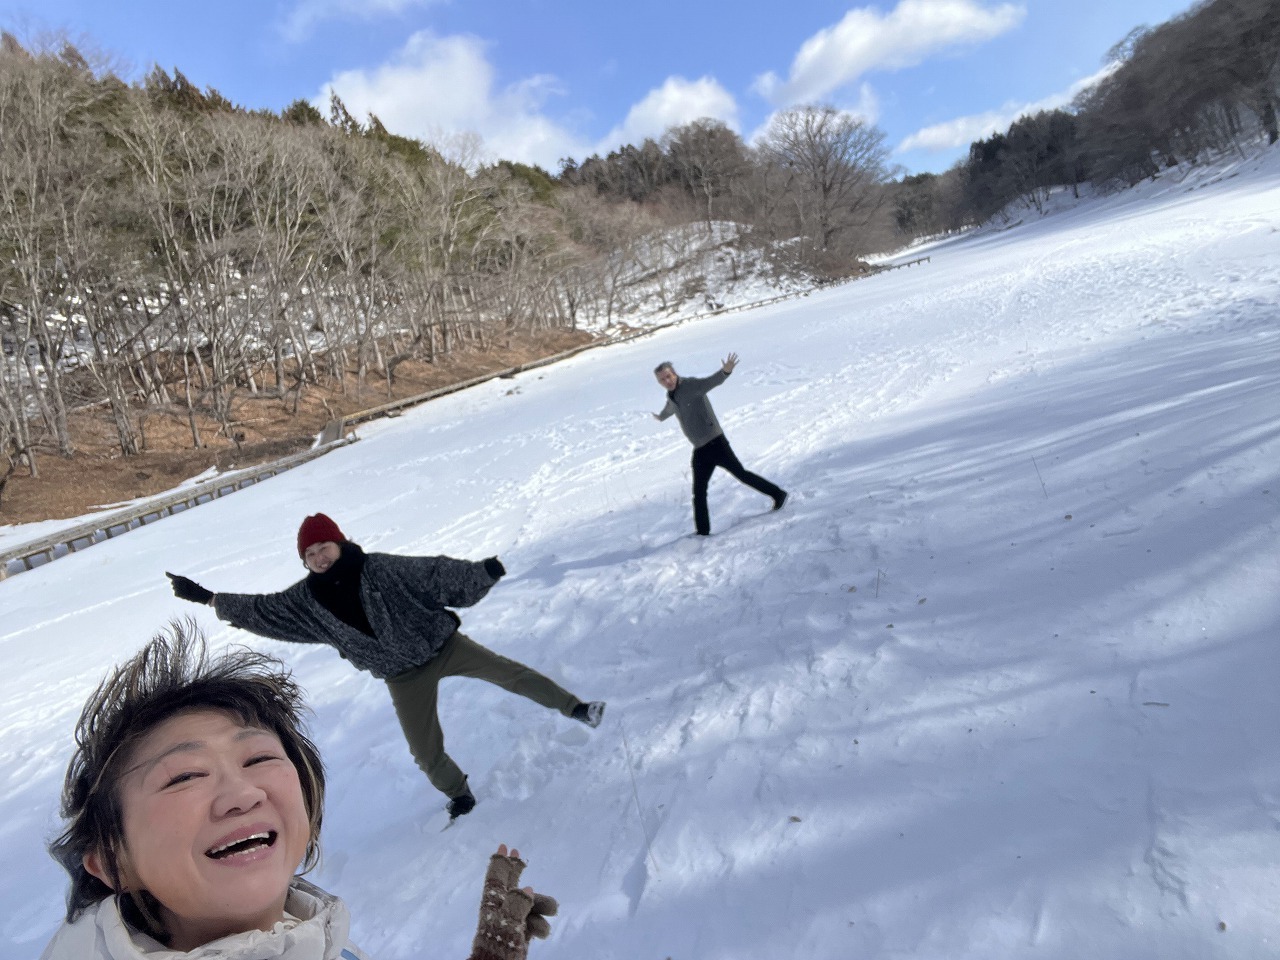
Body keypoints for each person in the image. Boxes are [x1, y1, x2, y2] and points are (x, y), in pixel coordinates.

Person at [40, 622, 559, 960]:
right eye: (185, 776)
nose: (242, 793)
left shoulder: (318, 941)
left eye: (259, 758)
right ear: (113, 864)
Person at [166, 512, 605, 820]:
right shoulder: (306, 601)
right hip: (402, 676)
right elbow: (264, 611)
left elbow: (430, 574)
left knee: (512, 675)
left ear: (339, 543)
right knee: (424, 750)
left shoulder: (377, 568)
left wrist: (481, 574)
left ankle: (577, 708)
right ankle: (460, 795)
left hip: (443, 646)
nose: (319, 557)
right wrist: (209, 598)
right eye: (310, 553)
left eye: (324, 547)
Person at [653, 352, 787, 536]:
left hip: (716, 443)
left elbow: (711, 382)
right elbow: (670, 408)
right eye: (662, 379)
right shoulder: (671, 396)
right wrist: (661, 417)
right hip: (700, 449)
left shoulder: (691, 385)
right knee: (698, 492)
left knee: (742, 475)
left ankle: (778, 494)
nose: (667, 381)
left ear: (674, 373)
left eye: (668, 376)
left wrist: (725, 372)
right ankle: (702, 533)